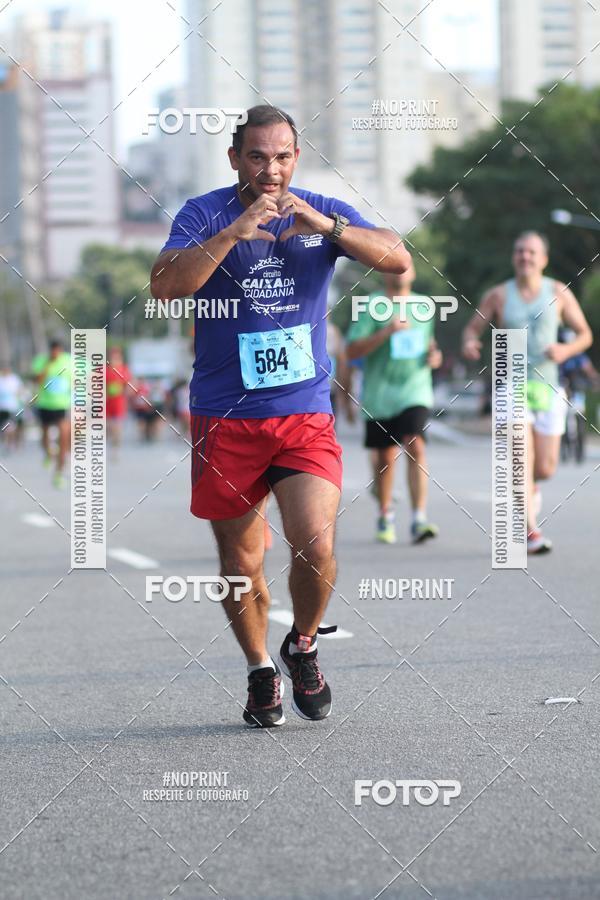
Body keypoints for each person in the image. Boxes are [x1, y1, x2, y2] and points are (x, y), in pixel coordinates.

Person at [150, 104, 411, 727]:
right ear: (236, 157)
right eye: (259, 156)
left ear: (298, 157)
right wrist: (234, 233)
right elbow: (164, 285)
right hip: (225, 416)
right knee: (241, 562)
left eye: (284, 156)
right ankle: (260, 669)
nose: (273, 170)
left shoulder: (320, 210)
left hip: (302, 411)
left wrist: (328, 226)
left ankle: (303, 645)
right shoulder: (205, 213)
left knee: (316, 543)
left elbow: (399, 258)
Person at [462, 231, 592, 553]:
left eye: (532, 252)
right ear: (513, 257)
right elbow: (472, 327)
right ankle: (530, 530)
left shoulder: (558, 292)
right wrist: (469, 342)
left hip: (548, 385)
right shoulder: (499, 295)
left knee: (545, 467)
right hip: (511, 382)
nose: (525, 257)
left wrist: (566, 350)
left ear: (543, 259)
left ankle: (527, 489)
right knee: (519, 454)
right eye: (520, 251)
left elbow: (584, 334)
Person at [346, 263, 442, 544]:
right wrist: (385, 333)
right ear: (384, 271)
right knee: (386, 458)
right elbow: (352, 350)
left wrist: (434, 356)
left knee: (416, 444)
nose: (400, 270)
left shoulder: (424, 305)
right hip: (380, 395)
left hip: (415, 390)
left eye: (406, 265)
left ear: (413, 271)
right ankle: (385, 513)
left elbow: (430, 342)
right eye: (394, 265)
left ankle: (419, 518)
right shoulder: (371, 305)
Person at [31, 339, 72, 488]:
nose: (55, 354)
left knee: (64, 437)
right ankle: (48, 454)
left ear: (61, 350)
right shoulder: (41, 361)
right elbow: (37, 380)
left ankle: (59, 474)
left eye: (58, 351)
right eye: (53, 351)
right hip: (45, 405)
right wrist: (47, 365)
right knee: (45, 438)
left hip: (62, 407)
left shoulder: (68, 361)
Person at [106, 346, 133, 456]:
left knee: (117, 427)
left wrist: (127, 393)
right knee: (108, 427)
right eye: (113, 357)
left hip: (119, 402)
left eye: (117, 357)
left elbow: (129, 385)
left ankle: (116, 448)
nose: (115, 360)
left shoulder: (123, 370)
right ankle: (110, 442)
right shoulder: (105, 370)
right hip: (107, 403)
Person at [0, 363, 24, 451]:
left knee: (10, 427)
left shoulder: (14, 379)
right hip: (2, 408)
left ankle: (11, 443)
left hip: (12, 407)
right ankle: (7, 442)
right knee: (4, 427)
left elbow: (20, 390)